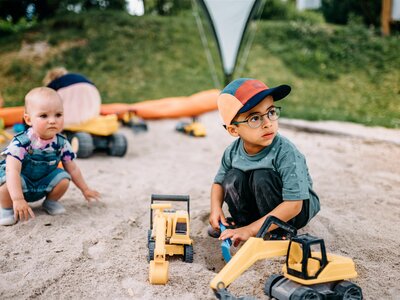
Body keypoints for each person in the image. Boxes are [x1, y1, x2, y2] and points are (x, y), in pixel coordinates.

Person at [209, 78, 320, 246]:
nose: (268, 123)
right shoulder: (232, 152)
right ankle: (244, 224)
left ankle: (278, 230)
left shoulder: (286, 152)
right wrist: (215, 209)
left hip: (293, 212)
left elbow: (295, 205)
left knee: (262, 176)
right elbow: (218, 182)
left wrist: (252, 230)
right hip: (260, 205)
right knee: (232, 177)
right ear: (233, 130)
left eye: (271, 112)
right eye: (254, 118)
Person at [0, 87, 100, 226]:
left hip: (43, 183)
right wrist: (17, 199)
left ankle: (51, 202)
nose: (52, 120)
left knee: (64, 178)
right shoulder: (21, 143)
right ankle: (6, 208)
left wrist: (85, 189)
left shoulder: (61, 142)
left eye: (58, 115)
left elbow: (73, 169)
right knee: (5, 181)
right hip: (19, 184)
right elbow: (12, 171)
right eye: (44, 116)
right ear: (28, 119)